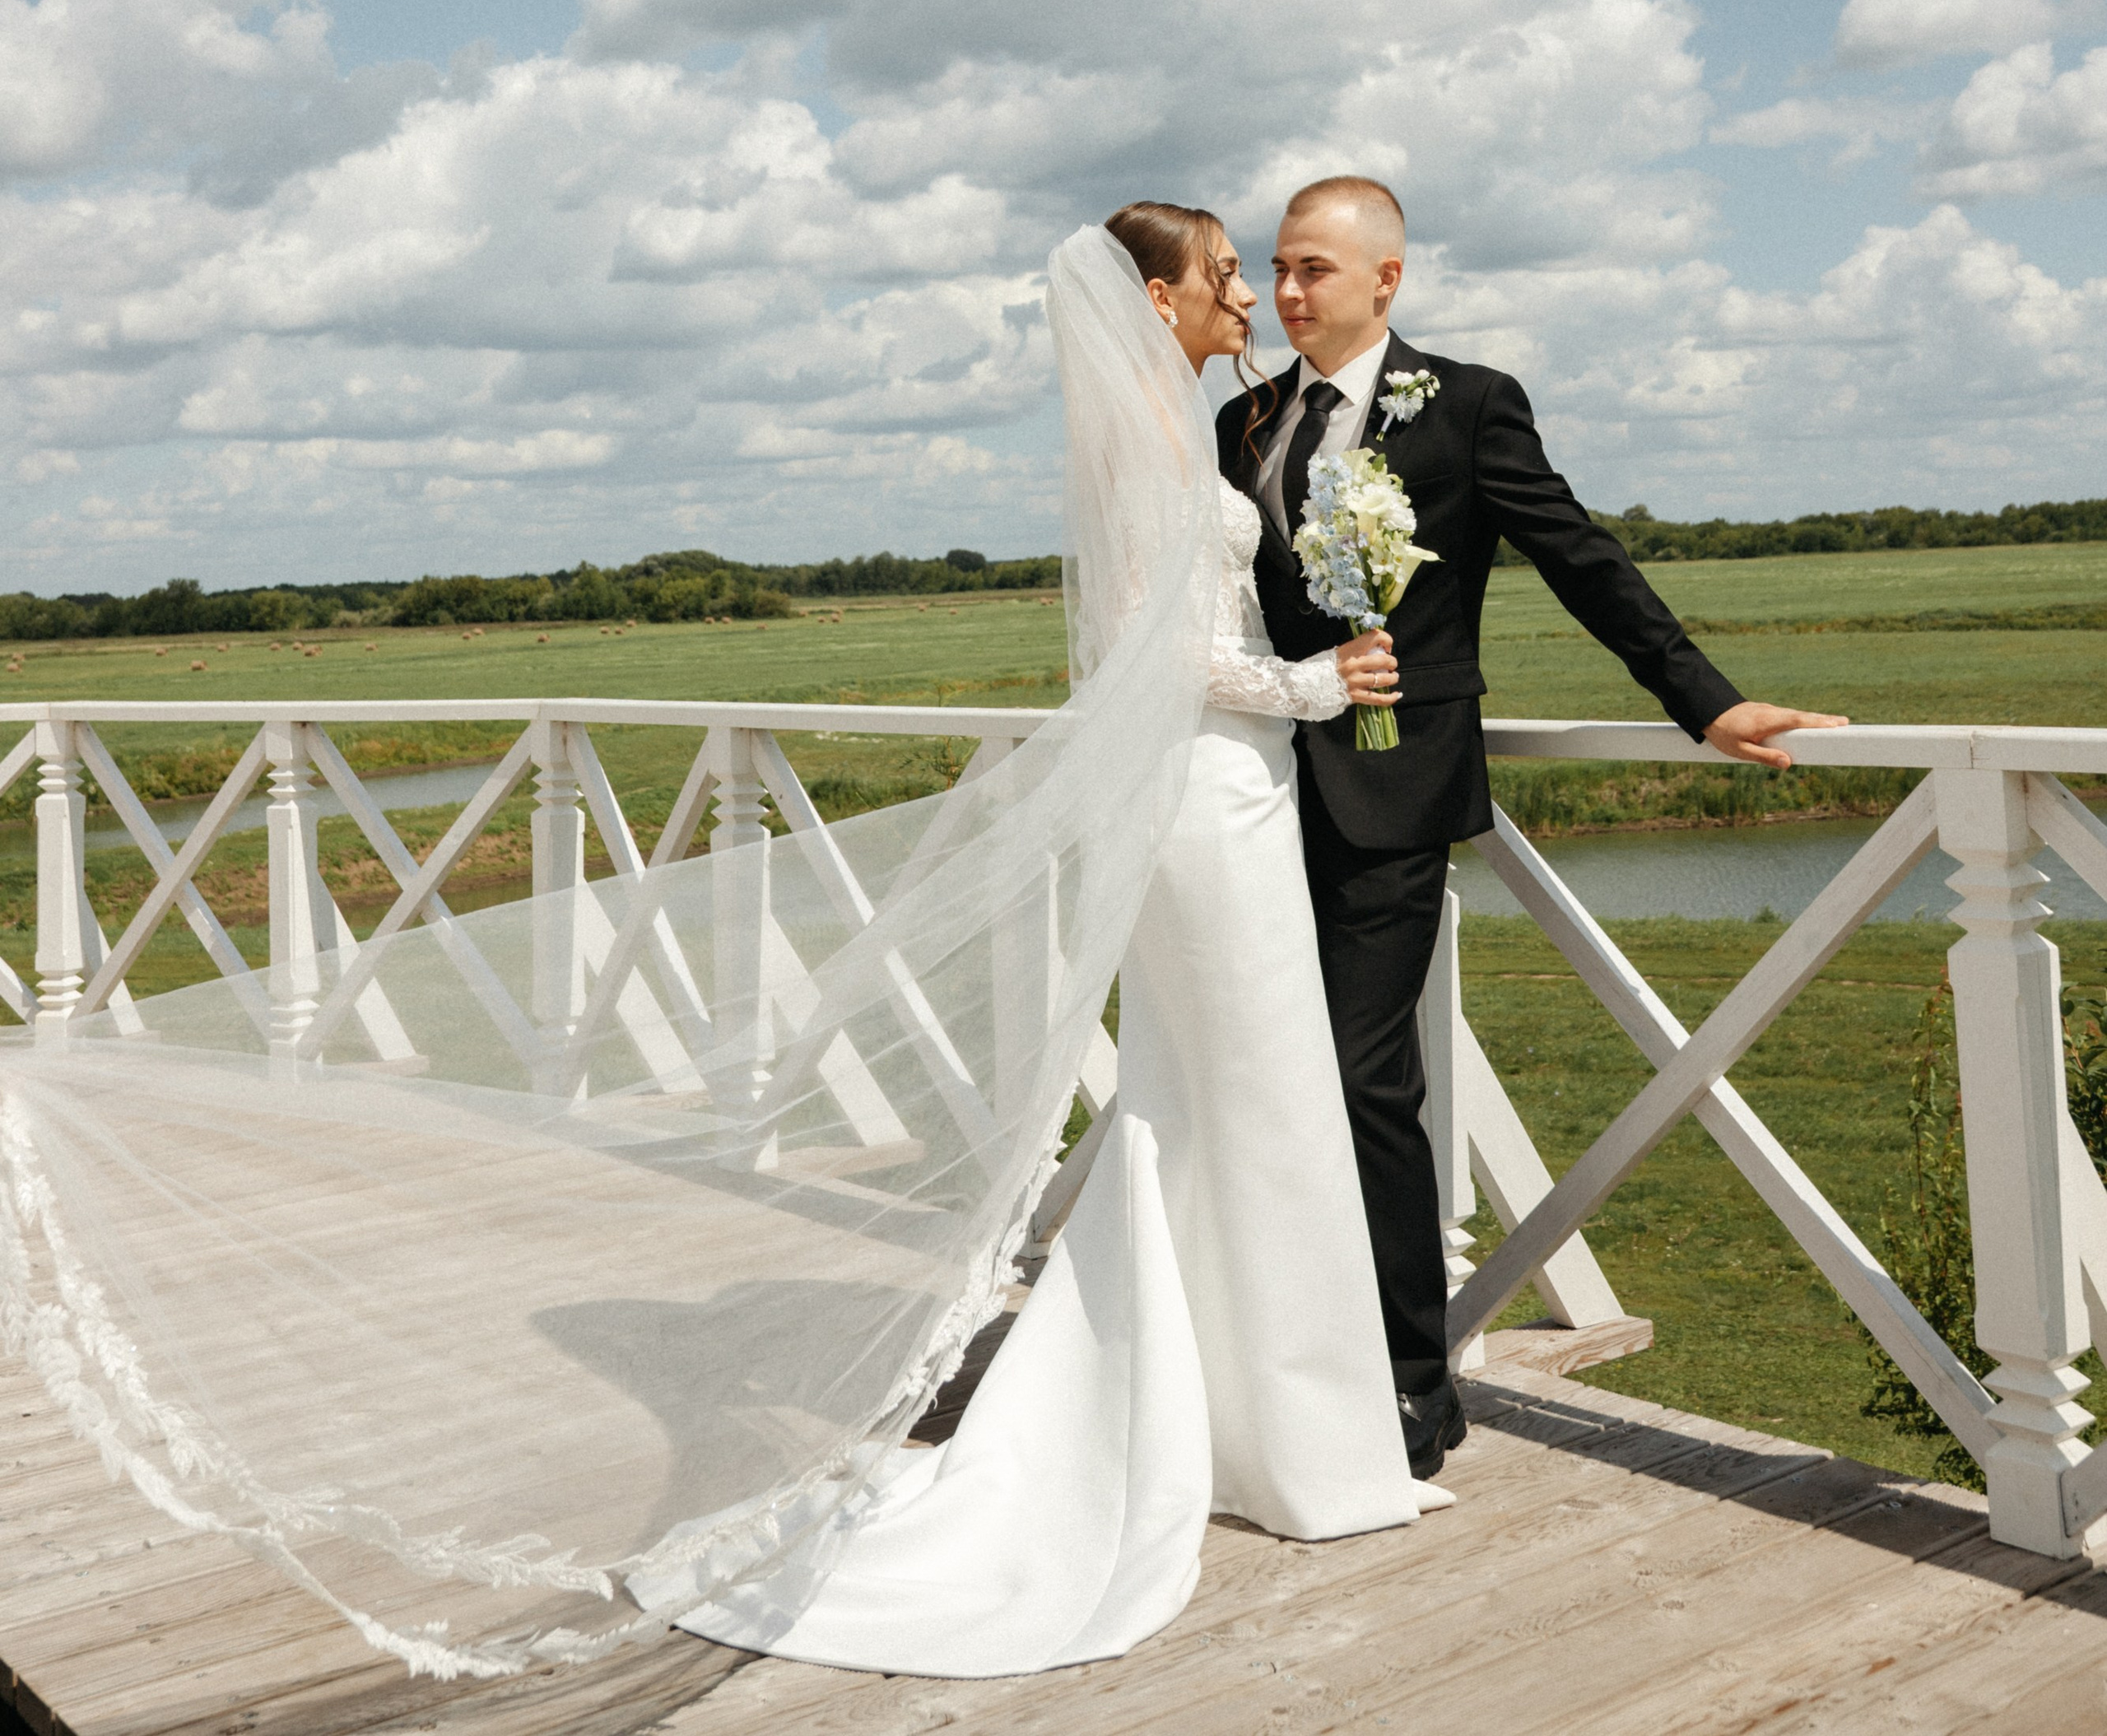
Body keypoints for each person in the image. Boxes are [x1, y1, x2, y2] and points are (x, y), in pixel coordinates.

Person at [676, 206, 1452, 1677]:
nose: (1247, 295)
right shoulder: (1148, 450)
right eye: (1226, 275)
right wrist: (1321, 682)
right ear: (1156, 299)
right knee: (1264, 1109)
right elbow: (1161, 658)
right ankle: (1301, 1453)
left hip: (1227, 797)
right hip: (1211, 797)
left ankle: (1261, 1429)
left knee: (1226, 1113)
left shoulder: (1190, 427)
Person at [1214, 175, 1848, 1478]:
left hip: (1392, 791)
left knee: (1361, 1074)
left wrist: (1704, 703)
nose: (1286, 294)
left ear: (1388, 279)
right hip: (1256, 784)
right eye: (1276, 269)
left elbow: (1580, 555)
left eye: (1313, 271)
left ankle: (1407, 1381)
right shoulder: (1247, 419)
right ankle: (1281, 1349)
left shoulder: (1468, 404)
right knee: (1265, 1076)